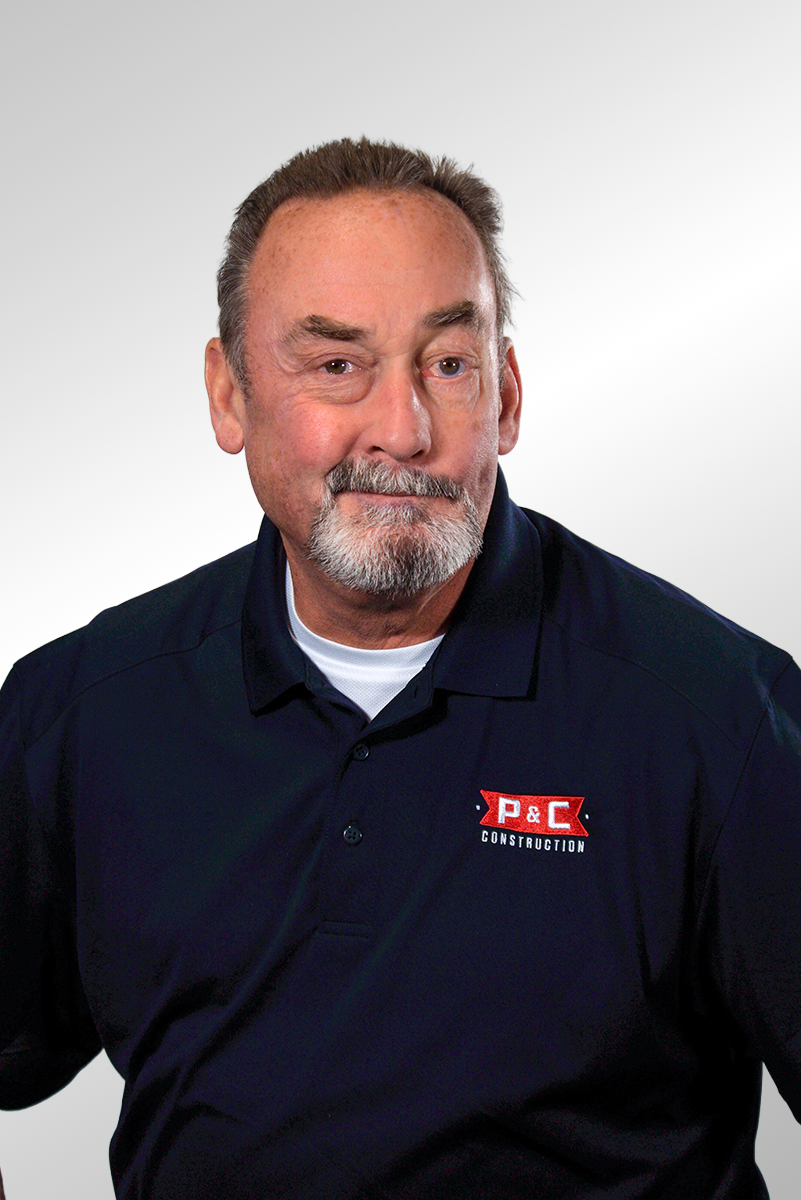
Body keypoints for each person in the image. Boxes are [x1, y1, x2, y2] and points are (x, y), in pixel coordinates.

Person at [1, 136, 799, 1200]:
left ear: (506, 395)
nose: (404, 427)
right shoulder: (82, 715)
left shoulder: (719, 721)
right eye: (337, 365)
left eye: (448, 364)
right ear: (229, 394)